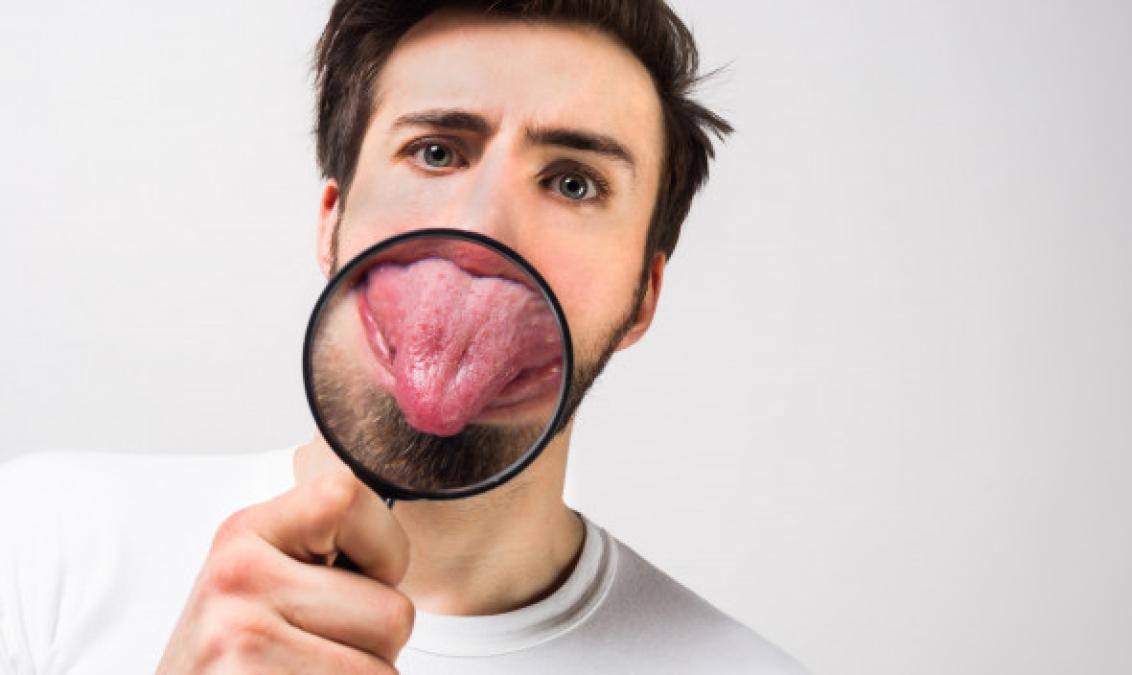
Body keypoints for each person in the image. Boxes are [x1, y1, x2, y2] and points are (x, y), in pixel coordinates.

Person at [0, 1, 807, 673]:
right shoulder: (38, 545)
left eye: (573, 182)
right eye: (434, 151)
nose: (482, 227)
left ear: (643, 298)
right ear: (333, 224)